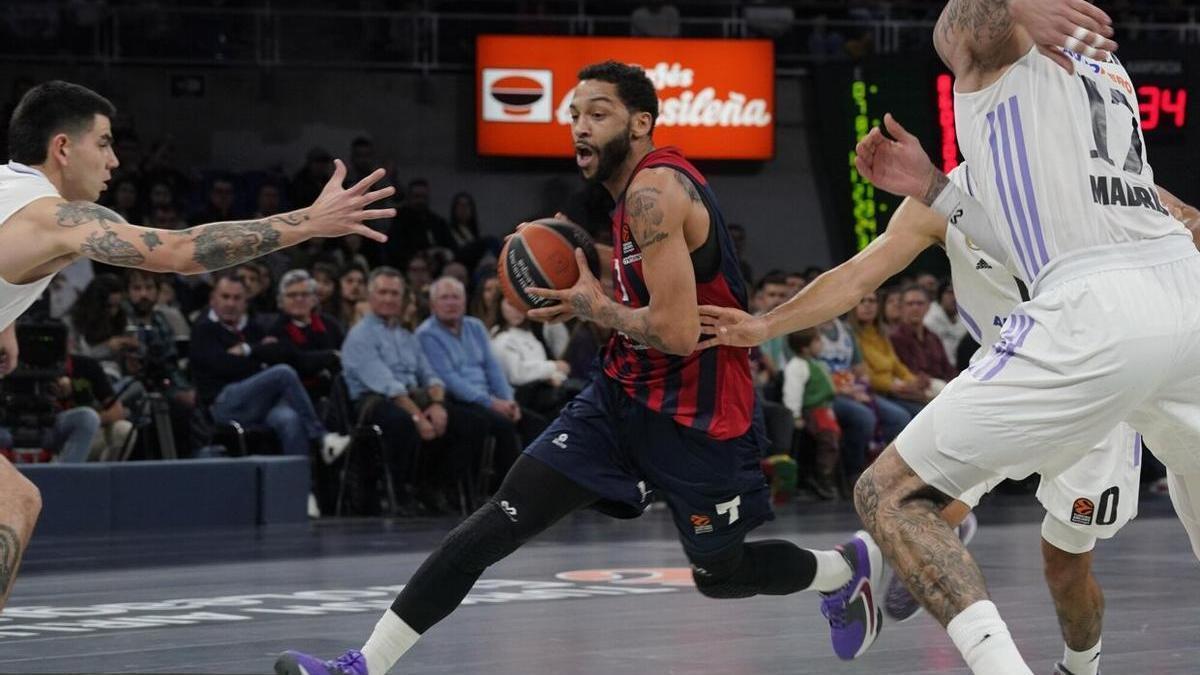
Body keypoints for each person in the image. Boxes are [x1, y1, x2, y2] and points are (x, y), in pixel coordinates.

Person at [275, 60, 882, 675]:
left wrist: (596, 307)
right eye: (574, 116)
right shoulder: (626, 204)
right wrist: (568, 249)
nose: (580, 129)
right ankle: (361, 666)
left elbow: (675, 333)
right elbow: (643, 279)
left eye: (598, 113)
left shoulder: (653, 191)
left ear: (641, 122)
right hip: (617, 401)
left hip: (699, 417)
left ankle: (841, 570)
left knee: (720, 576)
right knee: (494, 524)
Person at [698, 157, 1193, 674]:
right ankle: (865, 565)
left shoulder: (1081, 165)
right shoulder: (943, 195)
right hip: (1008, 371)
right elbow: (854, 278)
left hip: (1096, 374)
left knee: (1066, 564)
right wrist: (763, 326)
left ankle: (1078, 664)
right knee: (909, 497)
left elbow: (1185, 223)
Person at [847, 0, 1200, 670]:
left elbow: (956, 30)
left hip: (1094, 307)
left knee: (889, 494)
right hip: (1185, 296)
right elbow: (1025, 233)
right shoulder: (1102, 57)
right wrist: (933, 188)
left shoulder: (997, 35)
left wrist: (1009, 7)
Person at [0, 77, 393, 613]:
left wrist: (6, 322)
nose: (115, 161)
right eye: (105, 142)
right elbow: (185, 251)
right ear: (63, 148)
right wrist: (308, 224)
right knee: (14, 504)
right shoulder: (57, 218)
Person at [341, 268, 483, 516]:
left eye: (394, 293)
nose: (389, 299)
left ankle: (435, 486)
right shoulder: (360, 335)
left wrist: (437, 405)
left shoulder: (406, 335)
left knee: (469, 421)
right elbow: (387, 385)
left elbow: (429, 375)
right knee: (402, 422)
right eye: (383, 292)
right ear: (371, 296)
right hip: (373, 401)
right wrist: (418, 416)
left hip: (411, 395)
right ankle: (400, 491)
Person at [781, 328, 841, 499]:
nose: (821, 344)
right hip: (812, 412)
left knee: (833, 438)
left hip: (824, 409)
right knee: (827, 440)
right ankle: (822, 478)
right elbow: (792, 393)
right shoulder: (797, 366)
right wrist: (795, 415)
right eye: (817, 341)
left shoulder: (815, 363)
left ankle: (829, 476)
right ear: (805, 347)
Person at [924, 279, 968, 363]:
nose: (955, 297)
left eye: (958, 292)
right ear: (940, 295)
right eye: (950, 293)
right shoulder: (929, 320)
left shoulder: (965, 321)